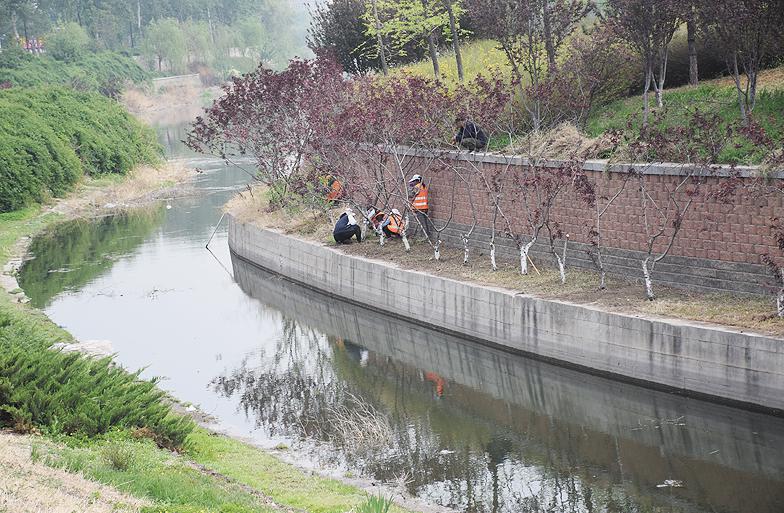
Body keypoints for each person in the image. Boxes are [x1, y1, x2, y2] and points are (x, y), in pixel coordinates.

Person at [408, 174, 431, 240]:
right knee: (424, 222)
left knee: (422, 223)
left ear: (417, 181)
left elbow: (410, 195)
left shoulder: (417, 187)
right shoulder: (424, 187)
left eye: (414, 181)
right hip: (424, 207)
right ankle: (426, 235)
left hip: (419, 208)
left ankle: (424, 237)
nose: (413, 183)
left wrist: (410, 188)